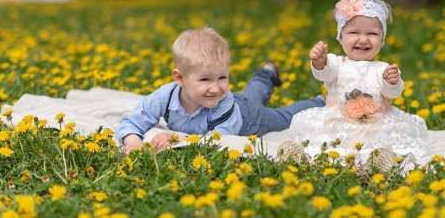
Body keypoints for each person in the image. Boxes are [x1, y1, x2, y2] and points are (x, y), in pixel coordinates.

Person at [116, 27, 325, 154]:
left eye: (222, 77)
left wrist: (179, 140)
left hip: (251, 119)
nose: (216, 88)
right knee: (252, 94)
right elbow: (132, 121)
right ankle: (266, 72)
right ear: (180, 78)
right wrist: (133, 141)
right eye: (205, 79)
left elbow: (220, 139)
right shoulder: (165, 96)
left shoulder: (223, 104)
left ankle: (318, 102)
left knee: (284, 116)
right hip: (242, 102)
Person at [289, 0, 428, 161]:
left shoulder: (383, 69)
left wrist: (391, 82)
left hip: (374, 124)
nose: (363, 39)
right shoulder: (336, 63)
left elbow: (393, 93)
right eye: (354, 33)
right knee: (319, 134)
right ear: (341, 37)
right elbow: (324, 74)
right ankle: (305, 155)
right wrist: (319, 62)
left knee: (389, 136)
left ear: (382, 40)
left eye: (372, 34)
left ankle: (378, 159)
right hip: (339, 122)